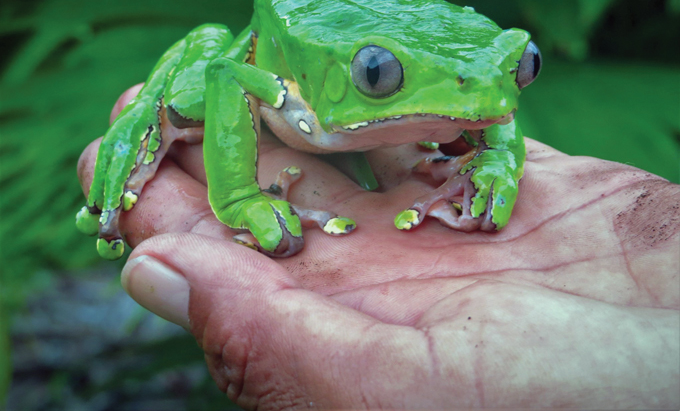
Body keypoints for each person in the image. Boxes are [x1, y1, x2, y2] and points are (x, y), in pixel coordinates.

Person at [78, 84, 680, 410]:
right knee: (168, 97)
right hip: (285, 60)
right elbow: (229, 75)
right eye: (378, 73)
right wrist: (238, 198)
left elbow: (488, 89)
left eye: (523, 66)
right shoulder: (264, 76)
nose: (503, 93)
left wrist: (495, 154)